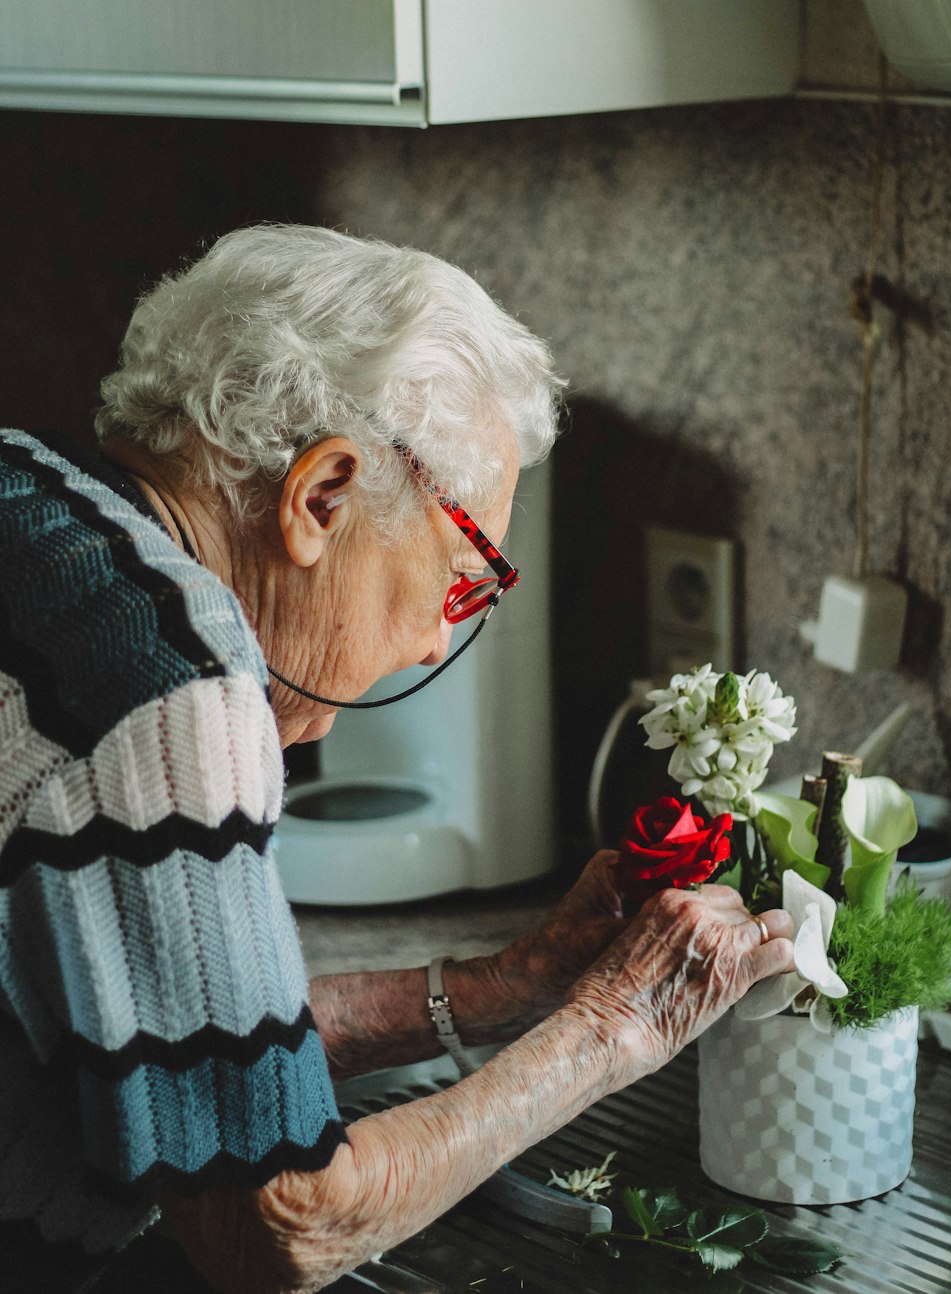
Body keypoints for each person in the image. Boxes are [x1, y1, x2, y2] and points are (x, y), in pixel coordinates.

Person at [0, 224, 794, 1294]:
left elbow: (198, 1061)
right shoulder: (173, 689)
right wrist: (616, 1027)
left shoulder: (31, 490)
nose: (434, 640)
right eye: (460, 582)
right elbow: (281, 1225)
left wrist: (500, 988)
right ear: (321, 495)